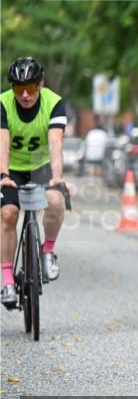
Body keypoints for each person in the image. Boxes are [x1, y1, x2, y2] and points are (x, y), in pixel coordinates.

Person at [0, 57, 69, 307]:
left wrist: (57, 177)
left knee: (55, 200)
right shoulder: (3, 103)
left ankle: (47, 251)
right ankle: (7, 278)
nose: (26, 94)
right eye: (19, 89)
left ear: (41, 84)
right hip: (13, 168)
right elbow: (2, 142)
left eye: (31, 87)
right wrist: (4, 175)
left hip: (41, 166)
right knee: (8, 214)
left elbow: (56, 143)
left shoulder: (54, 103)